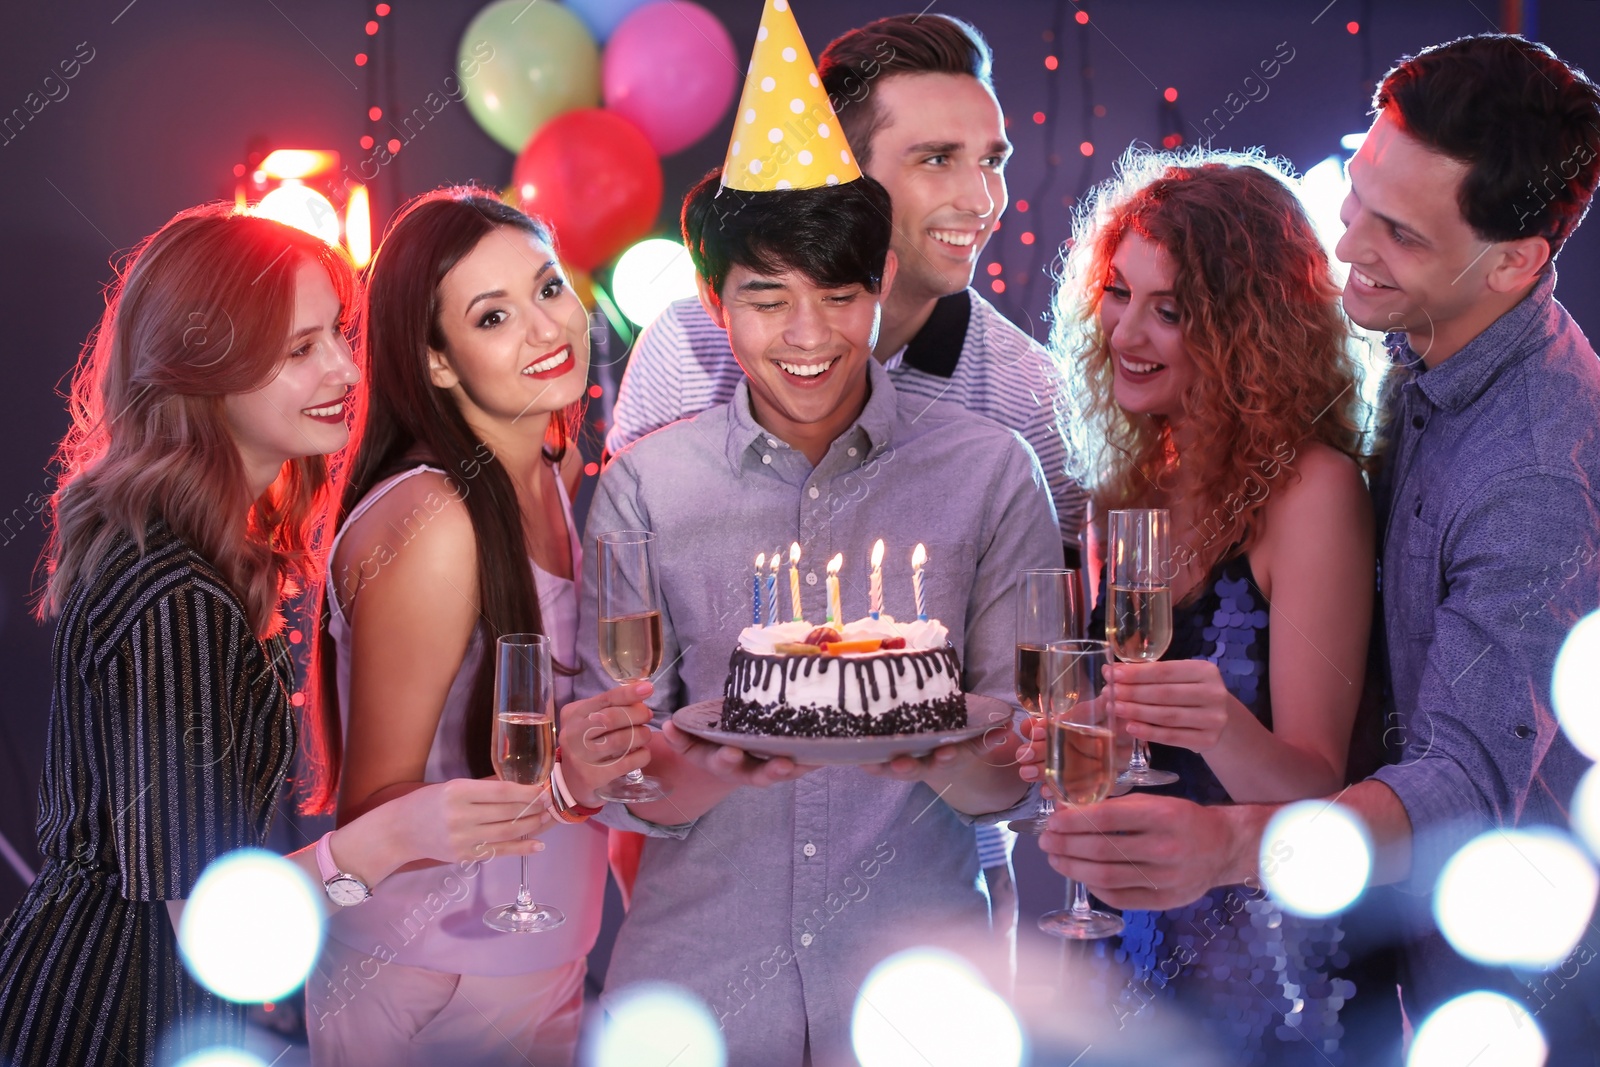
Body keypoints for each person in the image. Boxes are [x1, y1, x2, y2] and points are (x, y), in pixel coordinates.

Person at [1036, 33, 1600, 1057]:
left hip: (1505, 979)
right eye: (1356, 204)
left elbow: (1461, 783)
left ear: (1516, 261)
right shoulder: (1413, 339)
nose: (1346, 250)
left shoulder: (1533, 471)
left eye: (1398, 233)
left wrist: (1222, 842)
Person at [571, 8, 1059, 1062]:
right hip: (692, 991)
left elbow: (1017, 763)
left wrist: (940, 742)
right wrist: (704, 763)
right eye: (765, 300)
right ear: (715, 304)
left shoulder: (998, 445)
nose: (806, 335)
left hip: (918, 991)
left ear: (875, 282)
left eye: (837, 296)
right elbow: (624, 765)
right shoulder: (652, 474)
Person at [0, 206, 564, 1067]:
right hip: (113, 1016)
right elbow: (209, 918)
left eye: (338, 334)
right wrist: (392, 838)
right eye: (300, 349)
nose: (345, 367)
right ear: (205, 368)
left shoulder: (201, 556)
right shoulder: (173, 594)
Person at [1020, 149, 1388, 1062]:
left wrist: (1219, 722)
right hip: (1133, 954)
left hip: (1268, 981)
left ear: (1247, 328)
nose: (1126, 332)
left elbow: (1320, 792)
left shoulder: (1312, 487)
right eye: (1117, 292)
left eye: (1170, 310)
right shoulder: (1136, 480)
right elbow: (1137, 740)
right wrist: (1076, 738)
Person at [304, 189, 655, 1067]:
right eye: (493, 316)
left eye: (547, 289)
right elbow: (374, 813)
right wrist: (565, 784)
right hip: (428, 977)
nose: (546, 329)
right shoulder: (431, 521)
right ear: (439, 364)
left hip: (541, 961)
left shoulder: (554, 466)